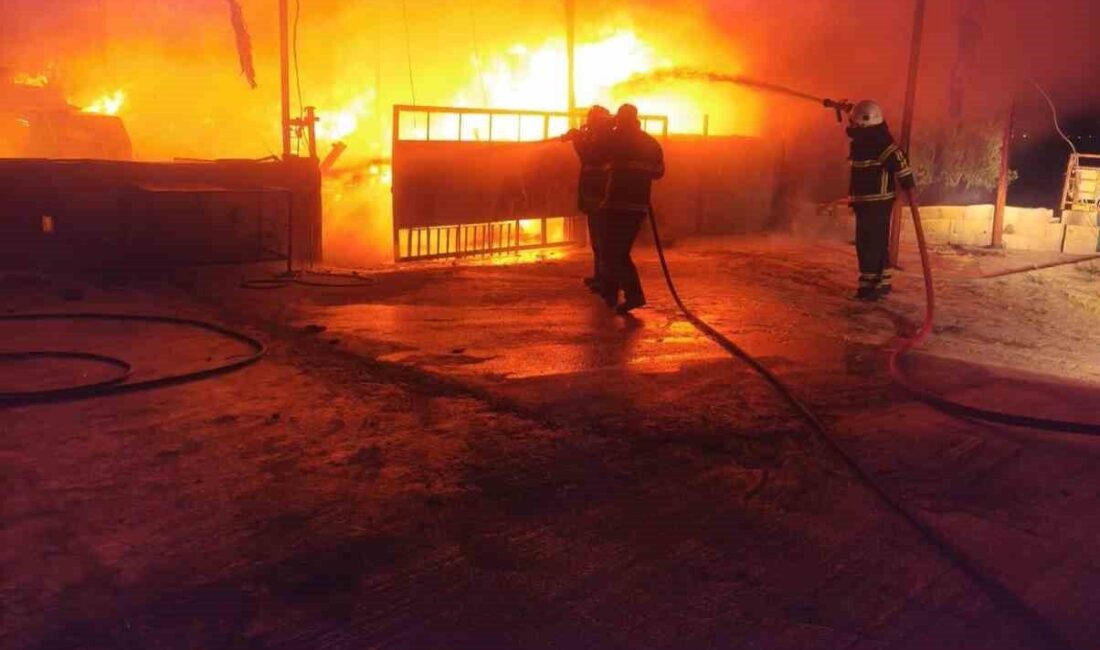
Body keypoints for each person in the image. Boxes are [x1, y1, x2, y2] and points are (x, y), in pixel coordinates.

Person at [845, 100, 916, 301]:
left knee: (871, 244)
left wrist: (907, 181)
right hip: (866, 201)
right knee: (870, 243)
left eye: (857, 122)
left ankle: (873, 286)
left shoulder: (878, 140)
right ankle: (875, 283)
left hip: (877, 202)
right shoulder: (866, 139)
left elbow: (898, 159)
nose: (853, 126)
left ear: (864, 123)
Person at [600, 103, 665, 315]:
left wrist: (605, 126)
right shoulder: (649, 143)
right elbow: (658, 172)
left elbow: (596, 152)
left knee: (613, 251)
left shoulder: (614, 139)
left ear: (621, 119)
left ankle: (631, 294)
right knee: (616, 251)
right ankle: (617, 290)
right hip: (636, 206)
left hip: (617, 204)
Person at [563, 105, 613, 292]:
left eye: (592, 120)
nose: (589, 123)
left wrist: (577, 139)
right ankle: (600, 277)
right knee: (597, 241)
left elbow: (589, 156)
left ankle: (607, 281)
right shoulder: (601, 137)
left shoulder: (606, 139)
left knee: (603, 241)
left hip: (602, 196)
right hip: (595, 196)